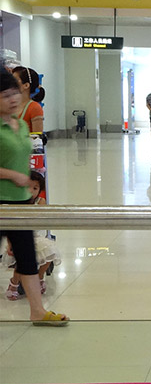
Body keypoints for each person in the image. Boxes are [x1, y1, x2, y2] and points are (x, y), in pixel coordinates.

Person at [0, 69, 68, 325]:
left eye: (14, 93)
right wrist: (12, 175)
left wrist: (27, 182)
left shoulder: (19, 125)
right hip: (1, 203)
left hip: (19, 203)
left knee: (27, 258)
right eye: (5, 95)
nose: (13, 99)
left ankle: (37, 311)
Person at [4, 170, 61, 298]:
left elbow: (43, 216)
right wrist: (10, 244)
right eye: (28, 187)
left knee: (50, 251)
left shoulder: (40, 201)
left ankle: (39, 277)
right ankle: (14, 283)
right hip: (19, 236)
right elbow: (10, 226)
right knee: (22, 259)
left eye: (35, 188)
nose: (31, 191)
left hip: (38, 237)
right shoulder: (17, 203)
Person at [13, 66, 44, 133]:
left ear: (26, 85)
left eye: (14, 80)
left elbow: (37, 137)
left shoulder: (34, 108)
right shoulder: (9, 105)